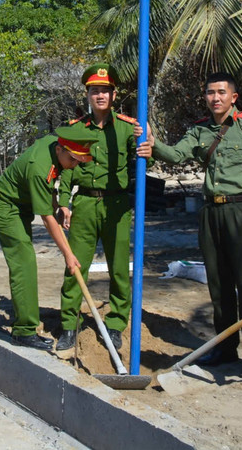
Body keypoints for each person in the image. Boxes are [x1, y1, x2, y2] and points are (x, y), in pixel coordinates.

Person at [136, 71, 242, 378]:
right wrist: (154, 143)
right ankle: (225, 347)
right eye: (211, 93)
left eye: (221, 93)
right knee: (219, 285)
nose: (215, 98)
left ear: (233, 97)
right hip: (211, 212)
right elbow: (176, 154)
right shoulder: (199, 130)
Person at [55, 64, 141, 355]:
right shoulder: (76, 128)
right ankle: (69, 324)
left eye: (105, 90)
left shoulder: (129, 128)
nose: (100, 95)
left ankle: (115, 324)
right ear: (88, 95)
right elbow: (67, 169)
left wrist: (147, 141)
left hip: (117, 205)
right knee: (75, 265)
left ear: (114, 95)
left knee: (119, 268)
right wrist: (64, 203)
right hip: (85, 204)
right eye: (95, 91)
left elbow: (144, 162)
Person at [0, 123, 92, 349]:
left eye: (78, 161)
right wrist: (68, 255)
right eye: (73, 160)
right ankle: (23, 332)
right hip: (6, 210)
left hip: (20, 207)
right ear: (60, 149)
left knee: (25, 262)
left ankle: (24, 325)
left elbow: (51, 181)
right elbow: (47, 219)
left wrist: (58, 204)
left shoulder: (53, 146)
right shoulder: (39, 166)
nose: (74, 165)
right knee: (24, 264)